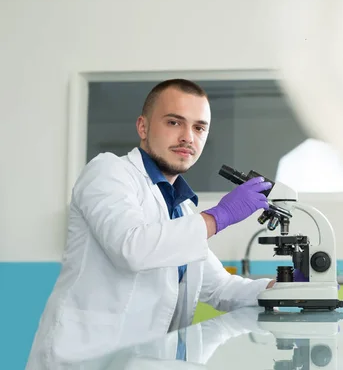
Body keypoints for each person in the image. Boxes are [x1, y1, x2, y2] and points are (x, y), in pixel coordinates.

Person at [26, 79, 276, 369]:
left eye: (199, 128)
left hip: (143, 362)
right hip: (83, 361)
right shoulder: (107, 171)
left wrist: (281, 289)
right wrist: (219, 216)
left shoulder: (181, 208)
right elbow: (132, 248)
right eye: (174, 122)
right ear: (143, 127)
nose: (188, 137)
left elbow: (219, 288)